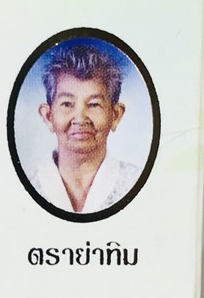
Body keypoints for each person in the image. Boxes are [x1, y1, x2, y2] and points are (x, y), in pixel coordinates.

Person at [29, 42, 140, 214]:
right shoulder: (27, 186)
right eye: (67, 104)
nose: (80, 119)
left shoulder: (136, 183)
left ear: (115, 115)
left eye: (94, 104)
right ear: (48, 116)